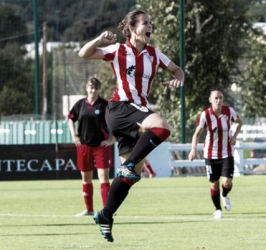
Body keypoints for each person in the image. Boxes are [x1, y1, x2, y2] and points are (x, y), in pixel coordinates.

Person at [78, 9, 184, 242]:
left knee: (132, 174)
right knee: (163, 127)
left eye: (151, 23)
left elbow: (178, 69)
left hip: (133, 114)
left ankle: (106, 214)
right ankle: (130, 165)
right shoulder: (119, 50)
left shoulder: (154, 55)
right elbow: (84, 54)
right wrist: (99, 39)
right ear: (133, 27)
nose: (150, 27)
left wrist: (179, 78)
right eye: (145, 23)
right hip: (120, 108)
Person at [188, 88, 243, 219]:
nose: (218, 101)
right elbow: (197, 134)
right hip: (210, 154)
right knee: (214, 184)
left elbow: (240, 122)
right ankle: (218, 209)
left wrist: (234, 136)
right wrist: (193, 149)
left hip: (227, 152)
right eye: (216, 98)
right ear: (210, 100)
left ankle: (224, 195)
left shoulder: (229, 111)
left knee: (227, 182)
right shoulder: (205, 115)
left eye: (220, 98)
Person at [68, 77, 115, 217]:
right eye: (91, 87)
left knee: (104, 177)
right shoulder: (80, 104)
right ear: (87, 88)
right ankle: (89, 210)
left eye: (95, 88)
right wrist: (74, 135)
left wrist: (112, 139)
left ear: (99, 89)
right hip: (84, 146)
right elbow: (71, 118)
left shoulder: (105, 105)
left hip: (101, 146)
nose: (93, 90)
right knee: (86, 178)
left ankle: (107, 210)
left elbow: (117, 121)